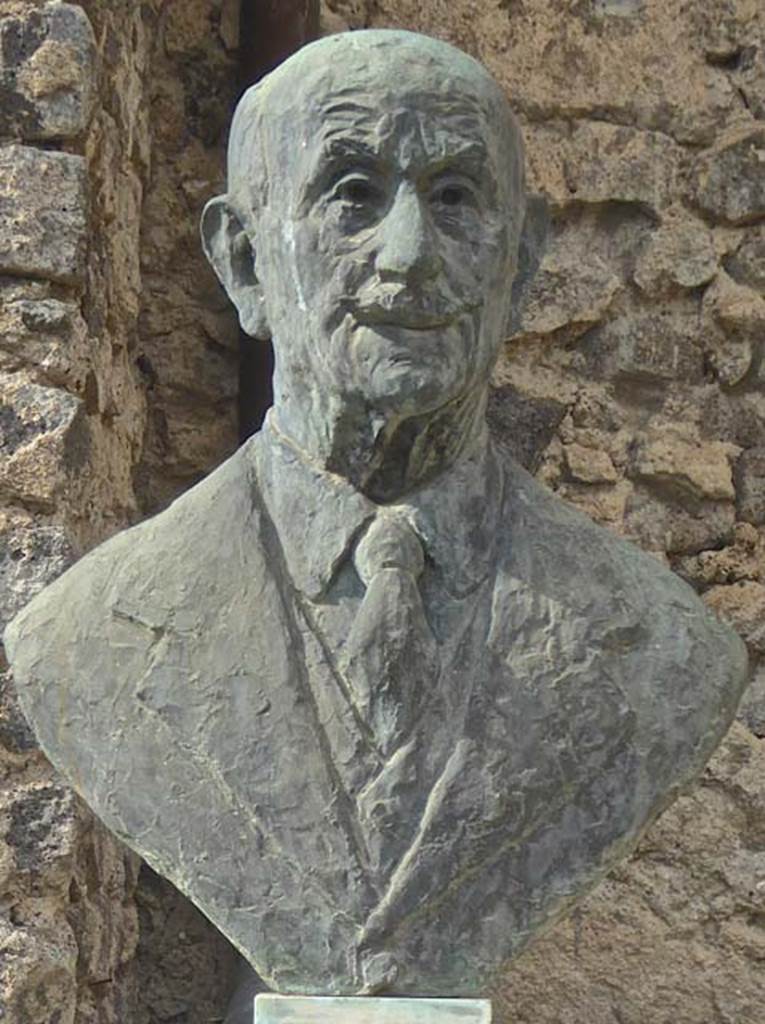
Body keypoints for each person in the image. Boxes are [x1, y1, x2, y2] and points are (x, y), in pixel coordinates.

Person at [4, 30, 747, 1004]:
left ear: (521, 261)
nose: (409, 254)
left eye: (453, 199)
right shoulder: (87, 639)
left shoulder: (663, 650)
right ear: (244, 262)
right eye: (350, 193)